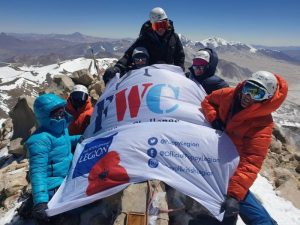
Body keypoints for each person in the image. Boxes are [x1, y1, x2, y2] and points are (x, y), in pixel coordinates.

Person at [201, 71, 288, 224]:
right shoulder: (230, 95)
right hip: (213, 155)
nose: (248, 96)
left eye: (257, 93)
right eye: (248, 88)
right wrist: (214, 118)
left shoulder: (263, 124)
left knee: (239, 207)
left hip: (233, 167)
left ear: (266, 98)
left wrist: (234, 196)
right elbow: (208, 100)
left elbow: (251, 162)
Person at [26, 93, 81, 224]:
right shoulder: (40, 140)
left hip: (67, 176)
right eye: (56, 113)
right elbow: (38, 172)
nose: (61, 115)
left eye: (62, 110)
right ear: (45, 116)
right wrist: (41, 201)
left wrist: (80, 138)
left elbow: (65, 142)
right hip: (54, 185)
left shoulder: (61, 129)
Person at [103, 7, 185, 85]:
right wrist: (119, 67)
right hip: (148, 76)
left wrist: (179, 72)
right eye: (157, 26)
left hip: (168, 75)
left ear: (167, 23)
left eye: (163, 25)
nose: (161, 29)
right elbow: (129, 55)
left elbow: (180, 56)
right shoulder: (145, 38)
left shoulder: (174, 37)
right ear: (152, 26)